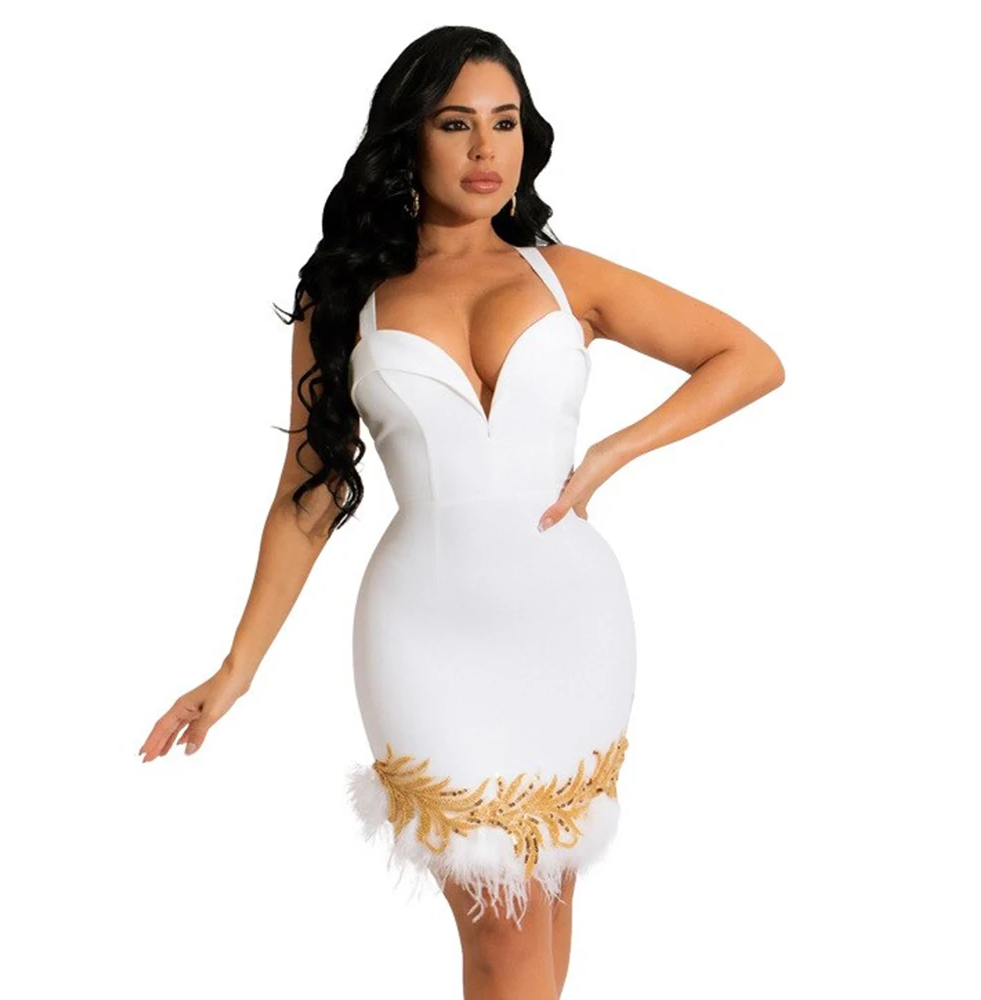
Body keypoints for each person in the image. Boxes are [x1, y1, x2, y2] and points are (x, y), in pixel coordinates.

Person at [139, 25, 785, 1000]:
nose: (486, 148)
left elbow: (748, 359)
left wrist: (610, 453)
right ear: (408, 137)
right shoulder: (344, 296)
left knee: (546, 911)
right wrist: (237, 667)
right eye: (455, 124)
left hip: (570, 620)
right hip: (424, 631)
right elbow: (308, 494)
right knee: (504, 935)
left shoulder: (567, 276)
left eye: (505, 122)